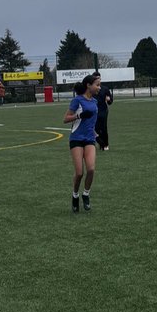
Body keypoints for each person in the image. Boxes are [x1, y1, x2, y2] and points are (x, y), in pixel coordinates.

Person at [64, 73, 101, 212]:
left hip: (89, 139)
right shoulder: (77, 100)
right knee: (79, 173)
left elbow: (91, 123)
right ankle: (75, 195)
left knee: (91, 169)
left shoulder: (95, 102)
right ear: (88, 85)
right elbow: (65, 119)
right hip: (76, 138)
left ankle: (86, 194)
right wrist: (79, 115)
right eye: (97, 85)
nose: (99, 87)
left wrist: (97, 136)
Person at [95, 82, 113, 151]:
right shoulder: (91, 90)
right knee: (95, 129)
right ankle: (101, 143)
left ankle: (106, 144)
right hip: (94, 111)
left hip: (103, 111)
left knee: (103, 128)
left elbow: (110, 101)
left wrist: (109, 100)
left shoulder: (105, 89)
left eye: (98, 78)